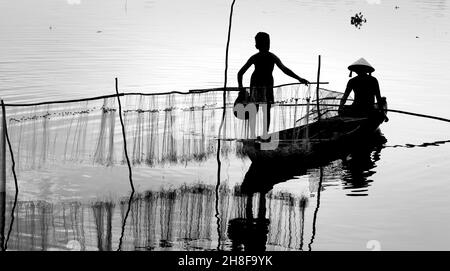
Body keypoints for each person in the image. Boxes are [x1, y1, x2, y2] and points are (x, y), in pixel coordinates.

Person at [237, 32, 309, 139]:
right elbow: (285, 70)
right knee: (264, 110)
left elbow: (240, 73)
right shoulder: (269, 57)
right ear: (267, 44)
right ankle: (264, 135)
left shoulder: (258, 57)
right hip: (260, 86)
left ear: (258, 45)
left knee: (257, 109)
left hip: (262, 86)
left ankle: (260, 135)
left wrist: (241, 87)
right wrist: (299, 78)